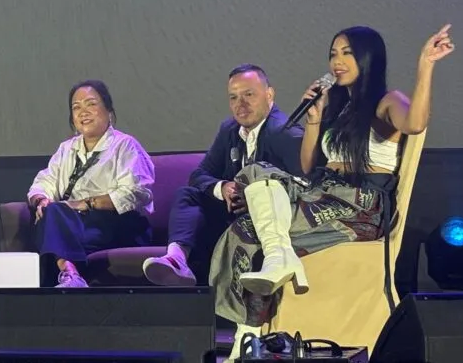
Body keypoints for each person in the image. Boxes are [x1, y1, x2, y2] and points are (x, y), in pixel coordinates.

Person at [210, 25, 455, 363]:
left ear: (368, 58)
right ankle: (249, 329)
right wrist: (314, 118)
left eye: (347, 53)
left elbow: (415, 123)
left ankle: (259, 305)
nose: (337, 61)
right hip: (322, 193)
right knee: (246, 216)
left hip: (359, 206)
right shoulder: (340, 108)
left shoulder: (388, 101)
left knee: (262, 234)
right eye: (333, 54)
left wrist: (425, 65)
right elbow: (307, 166)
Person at [143, 64, 303, 287]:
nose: (240, 104)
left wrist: (255, 199)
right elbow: (199, 175)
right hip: (232, 215)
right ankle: (177, 259)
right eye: (233, 97)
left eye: (249, 95)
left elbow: (304, 186)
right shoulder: (229, 129)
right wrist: (223, 188)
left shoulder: (285, 133)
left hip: (270, 222)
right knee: (188, 195)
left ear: (269, 95)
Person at [27, 80, 155, 288]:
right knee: (50, 212)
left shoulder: (125, 146)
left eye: (91, 104)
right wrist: (41, 199)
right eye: (76, 107)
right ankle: (70, 272)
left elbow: (137, 192)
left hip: (117, 223)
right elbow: (44, 181)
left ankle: (69, 274)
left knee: (49, 226)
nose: (83, 112)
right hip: (72, 221)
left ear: (109, 111)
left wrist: (88, 203)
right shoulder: (66, 149)